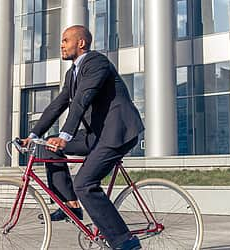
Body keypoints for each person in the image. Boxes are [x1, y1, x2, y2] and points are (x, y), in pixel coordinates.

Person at [22, 25, 144, 250]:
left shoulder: (96, 63)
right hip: (96, 135)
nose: (61, 45)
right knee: (48, 146)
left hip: (117, 131)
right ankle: (70, 204)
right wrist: (33, 135)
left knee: (85, 183)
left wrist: (66, 136)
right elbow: (58, 105)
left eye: (66, 40)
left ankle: (125, 241)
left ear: (81, 43)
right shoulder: (72, 73)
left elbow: (82, 100)